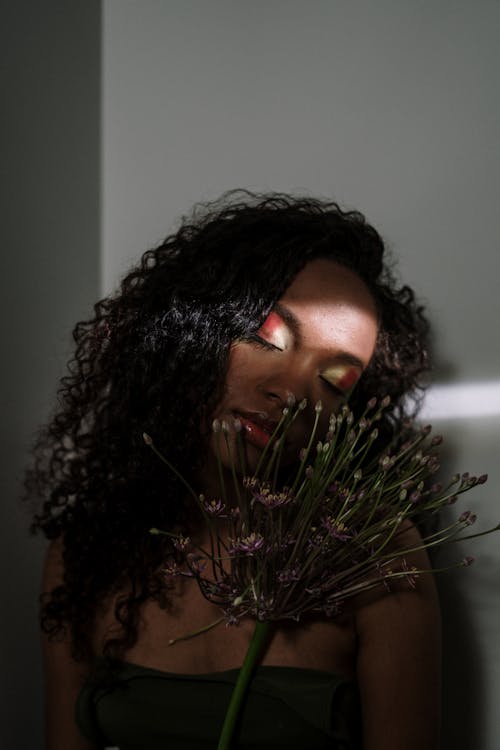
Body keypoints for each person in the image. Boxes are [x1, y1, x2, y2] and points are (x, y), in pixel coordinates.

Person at [27, 191, 441, 749]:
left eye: (334, 381)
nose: (291, 392)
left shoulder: (372, 555)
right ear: (195, 331)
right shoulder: (87, 554)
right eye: (269, 339)